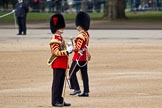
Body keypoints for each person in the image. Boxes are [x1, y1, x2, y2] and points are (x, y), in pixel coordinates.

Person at [49, 13, 73, 107]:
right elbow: (56, 53)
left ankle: (60, 99)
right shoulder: (54, 39)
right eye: (61, 26)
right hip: (58, 63)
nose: (63, 28)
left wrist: (69, 48)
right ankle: (55, 100)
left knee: (61, 83)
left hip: (62, 63)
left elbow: (62, 49)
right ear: (57, 27)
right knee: (57, 83)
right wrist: (67, 51)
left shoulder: (60, 38)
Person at [69, 11, 91, 97]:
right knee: (84, 74)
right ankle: (86, 91)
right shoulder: (86, 34)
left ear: (79, 25)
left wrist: (71, 47)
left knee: (71, 73)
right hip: (84, 57)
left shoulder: (80, 36)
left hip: (78, 58)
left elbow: (77, 48)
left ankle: (76, 88)